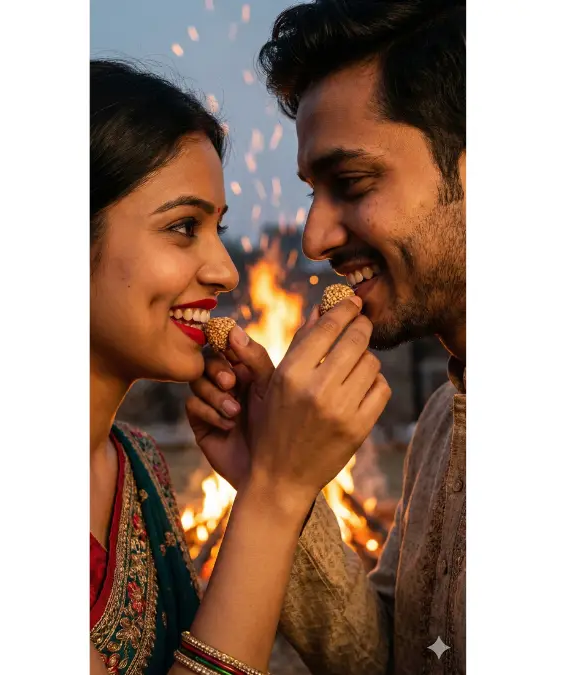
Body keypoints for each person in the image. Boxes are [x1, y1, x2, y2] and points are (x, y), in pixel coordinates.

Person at [185, 0, 467, 672]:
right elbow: (404, 653)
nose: (316, 238)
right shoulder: (441, 425)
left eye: (352, 183)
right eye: (314, 191)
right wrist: (274, 480)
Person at [88, 59, 392, 675]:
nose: (226, 271)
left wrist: (266, 479)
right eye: (182, 227)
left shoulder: (138, 464)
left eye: (217, 229)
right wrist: (276, 494)